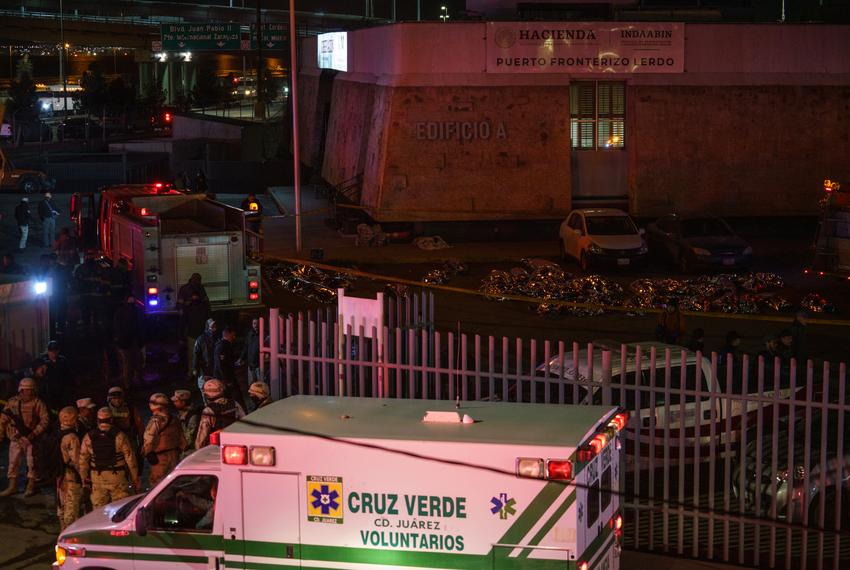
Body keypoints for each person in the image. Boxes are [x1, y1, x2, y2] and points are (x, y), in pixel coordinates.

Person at [78, 407, 140, 509]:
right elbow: (130, 459)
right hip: (117, 477)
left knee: (98, 511)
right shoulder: (120, 436)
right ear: (111, 419)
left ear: (98, 420)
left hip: (97, 478)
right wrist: (135, 478)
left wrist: (84, 478)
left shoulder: (88, 437)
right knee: (120, 509)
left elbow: (83, 460)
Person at [0, 378, 50, 497]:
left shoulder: (38, 403)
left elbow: (45, 420)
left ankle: (30, 486)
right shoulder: (12, 402)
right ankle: (12, 486)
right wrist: (1, 435)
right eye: (26, 390)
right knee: (13, 462)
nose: (28, 393)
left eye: (30, 390)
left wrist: (33, 434)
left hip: (31, 438)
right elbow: (3, 419)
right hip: (15, 437)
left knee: (31, 463)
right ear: (21, 390)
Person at [142, 393, 185, 487]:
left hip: (160, 459)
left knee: (159, 486)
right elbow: (182, 440)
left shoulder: (155, 422)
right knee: (175, 484)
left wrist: (147, 453)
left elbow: (148, 441)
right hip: (175, 456)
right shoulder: (175, 419)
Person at [195, 379, 245, 450]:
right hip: (236, 443)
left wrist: (199, 451)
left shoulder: (208, 411)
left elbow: (202, 436)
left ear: (207, 395)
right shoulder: (234, 404)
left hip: (218, 447)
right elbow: (244, 421)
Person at [57, 406, 83, 530]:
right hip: (70, 476)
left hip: (59, 475)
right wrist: (84, 477)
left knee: (61, 505)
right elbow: (77, 461)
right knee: (71, 509)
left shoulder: (57, 433)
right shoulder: (72, 438)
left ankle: (62, 532)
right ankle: (69, 536)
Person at [112, 294, 147, 389]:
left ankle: (130, 383)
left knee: (130, 363)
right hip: (130, 341)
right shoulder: (135, 311)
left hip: (128, 341)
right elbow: (140, 326)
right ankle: (131, 383)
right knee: (132, 363)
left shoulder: (120, 311)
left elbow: (117, 327)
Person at [106, 387, 144, 461]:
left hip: (130, 440)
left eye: (119, 398)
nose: (117, 400)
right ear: (109, 399)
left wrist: (141, 443)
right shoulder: (106, 411)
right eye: (114, 398)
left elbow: (140, 426)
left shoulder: (131, 409)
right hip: (114, 442)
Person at [35, 340, 73, 412]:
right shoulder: (43, 360)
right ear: (48, 351)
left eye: (55, 351)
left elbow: (68, 374)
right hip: (49, 390)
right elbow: (38, 374)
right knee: (50, 408)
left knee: (62, 406)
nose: (53, 353)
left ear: (58, 351)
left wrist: (68, 386)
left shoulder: (62, 360)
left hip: (61, 389)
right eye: (51, 351)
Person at [215, 325, 245, 410]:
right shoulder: (222, 347)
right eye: (232, 335)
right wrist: (227, 380)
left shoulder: (226, 346)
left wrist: (235, 364)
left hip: (228, 378)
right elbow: (221, 365)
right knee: (235, 398)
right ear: (227, 335)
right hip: (226, 380)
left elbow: (227, 362)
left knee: (234, 398)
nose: (234, 337)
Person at [182, 291, 210, 376]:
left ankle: (196, 372)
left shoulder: (190, 308)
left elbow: (184, 322)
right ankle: (194, 372)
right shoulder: (203, 307)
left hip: (196, 335)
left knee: (197, 355)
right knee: (194, 355)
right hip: (195, 335)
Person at [171, 390, 201, 458]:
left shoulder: (192, 416)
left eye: (176, 401)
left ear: (183, 402)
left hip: (190, 452)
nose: (174, 403)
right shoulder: (182, 414)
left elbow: (190, 439)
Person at [193, 318, 218, 391]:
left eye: (215, 326)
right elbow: (196, 354)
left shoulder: (218, 338)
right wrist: (195, 368)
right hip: (204, 370)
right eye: (212, 326)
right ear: (208, 327)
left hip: (215, 370)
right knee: (205, 389)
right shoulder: (201, 339)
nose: (214, 328)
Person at [237, 317, 264, 384]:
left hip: (260, 366)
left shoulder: (264, 334)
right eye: (254, 323)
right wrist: (241, 358)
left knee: (261, 386)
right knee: (252, 386)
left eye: (257, 323)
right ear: (252, 324)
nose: (256, 325)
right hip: (251, 365)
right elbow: (246, 348)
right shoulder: (249, 335)